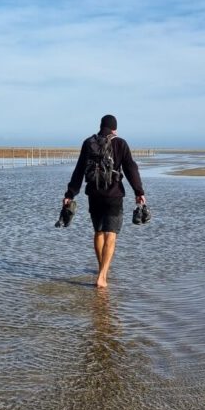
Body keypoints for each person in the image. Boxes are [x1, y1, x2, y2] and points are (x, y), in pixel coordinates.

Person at [63, 114, 146, 288]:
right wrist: (139, 192)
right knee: (111, 234)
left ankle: (101, 267)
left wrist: (70, 193)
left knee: (99, 232)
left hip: (94, 194)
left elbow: (79, 170)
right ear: (114, 128)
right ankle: (102, 276)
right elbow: (131, 168)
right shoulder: (120, 143)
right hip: (113, 195)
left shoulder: (88, 143)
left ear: (101, 126)